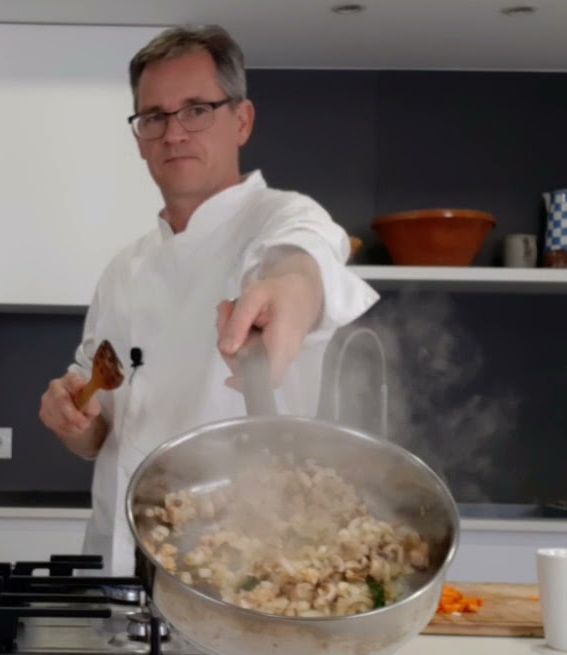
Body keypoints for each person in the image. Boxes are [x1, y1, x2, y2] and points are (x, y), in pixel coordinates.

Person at [38, 25, 380, 576]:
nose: (173, 133)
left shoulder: (281, 218)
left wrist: (290, 290)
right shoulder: (124, 270)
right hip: (116, 565)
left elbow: (305, 256)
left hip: (242, 573)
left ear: (241, 120)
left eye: (196, 109)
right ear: (139, 137)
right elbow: (102, 429)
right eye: (154, 117)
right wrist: (76, 423)